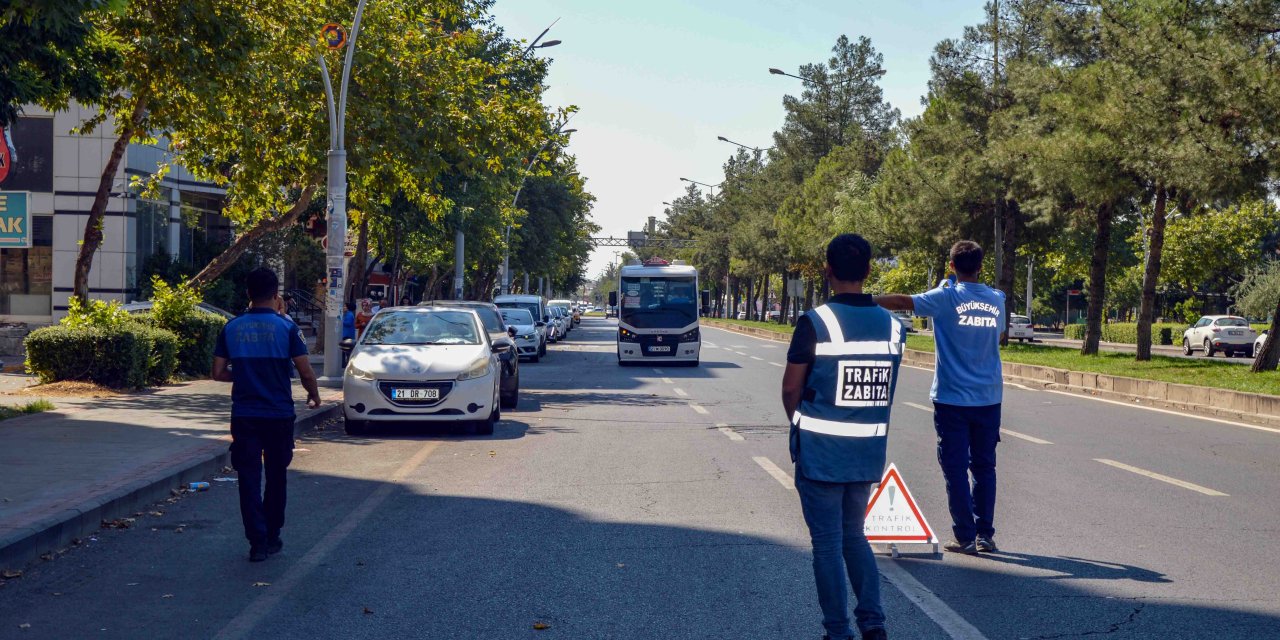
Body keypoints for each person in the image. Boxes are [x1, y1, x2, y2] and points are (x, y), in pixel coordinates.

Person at [782, 233, 904, 640]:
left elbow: (790, 389)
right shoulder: (893, 326)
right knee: (855, 536)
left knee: (828, 545)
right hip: (865, 452)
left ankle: (838, 631)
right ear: (869, 271)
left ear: (827, 270)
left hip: (821, 454)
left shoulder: (815, 322)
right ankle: (874, 622)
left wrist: (800, 424)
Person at [875, 240, 1006, 555]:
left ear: (951, 266)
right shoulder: (998, 300)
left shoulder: (944, 297)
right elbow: (998, 333)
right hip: (989, 397)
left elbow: (901, 301)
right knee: (985, 466)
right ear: (980, 266)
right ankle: (985, 534)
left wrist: (862, 299)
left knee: (955, 467)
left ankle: (964, 535)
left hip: (951, 399)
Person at [212, 268, 322, 562]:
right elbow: (305, 370)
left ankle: (257, 542)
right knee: (276, 475)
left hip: (245, 415)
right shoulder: (287, 328)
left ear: (248, 294)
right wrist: (314, 395)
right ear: (276, 296)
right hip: (278, 415)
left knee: (248, 478)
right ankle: (273, 535)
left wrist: (247, 374)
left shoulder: (231, 327)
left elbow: (218, 372)